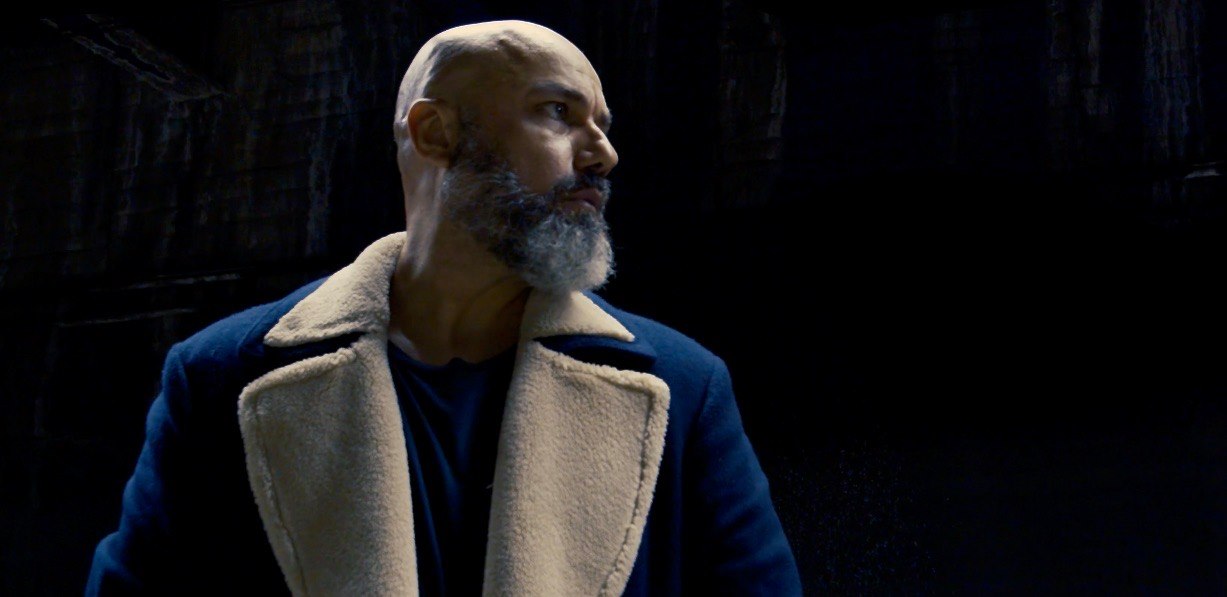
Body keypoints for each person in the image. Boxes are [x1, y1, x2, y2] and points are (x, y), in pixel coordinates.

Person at [86, 20, 802, 596]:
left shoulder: (683, 388)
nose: (603, 153)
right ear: (435, 132)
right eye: (558, 112)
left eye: (603, 123)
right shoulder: (220, 377)